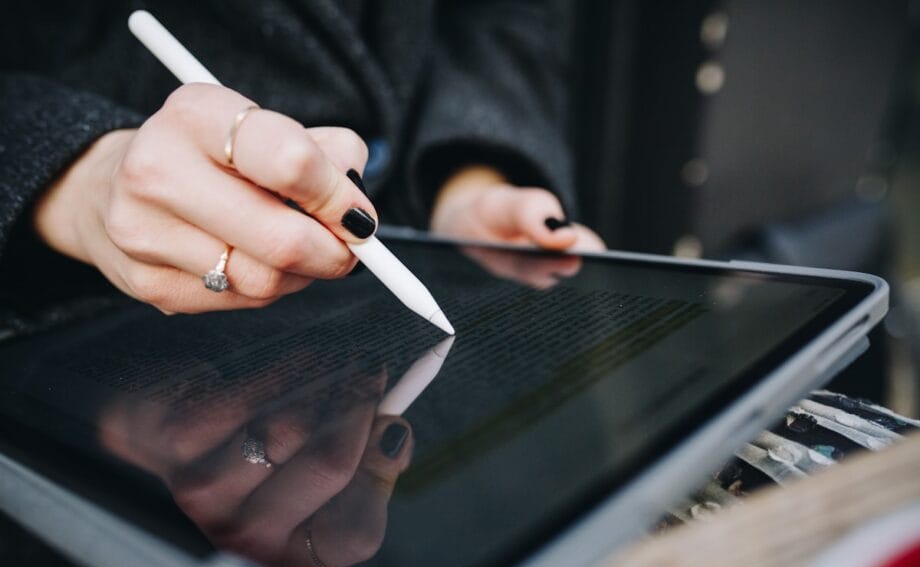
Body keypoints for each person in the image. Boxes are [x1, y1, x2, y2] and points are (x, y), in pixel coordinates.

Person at [0, 1, 603, 317]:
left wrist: (465, 179)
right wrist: (80, 178)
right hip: (79, 337)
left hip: (386, 299)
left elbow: (493, 13)